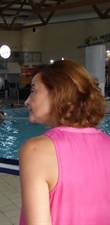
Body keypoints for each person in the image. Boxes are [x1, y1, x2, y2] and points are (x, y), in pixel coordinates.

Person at [19, 60, 110, 225]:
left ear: (57, 93)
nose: (27, 101)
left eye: (33, 91)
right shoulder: (107, 143)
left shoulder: (35, 150)